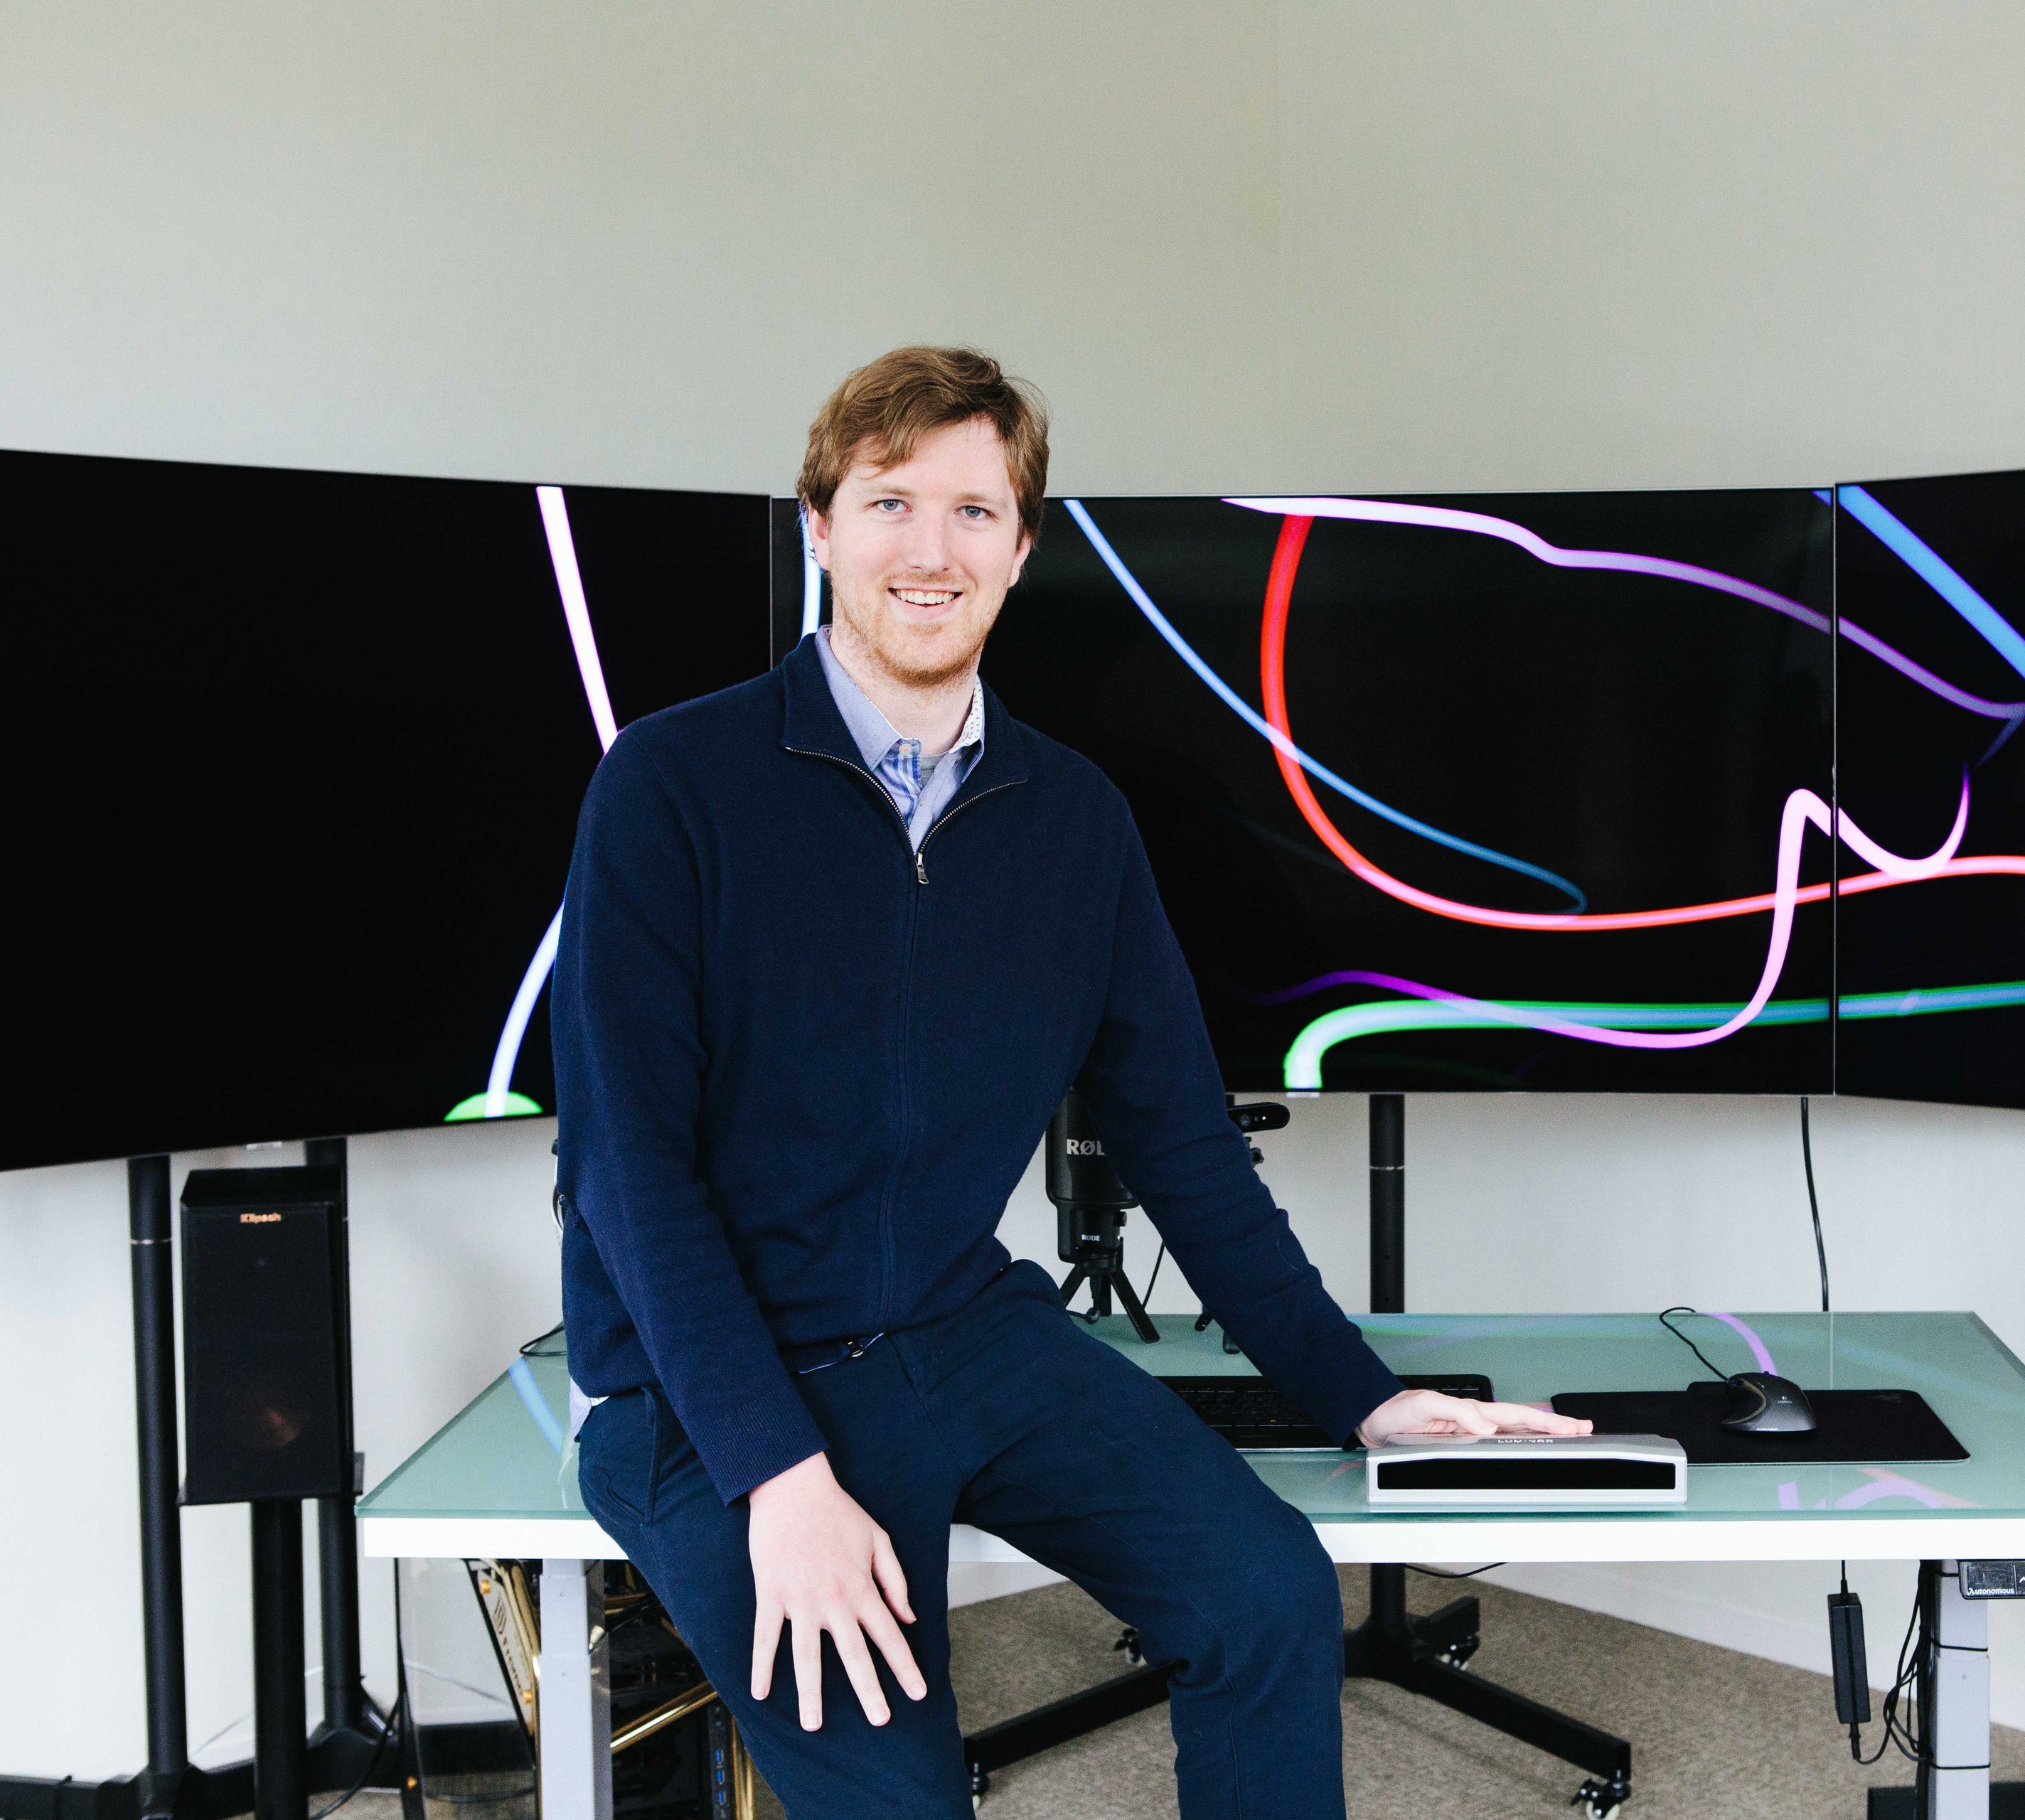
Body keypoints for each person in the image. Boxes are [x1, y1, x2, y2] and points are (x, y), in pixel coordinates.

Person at [552, 345, 1586, 1818]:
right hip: (712, 1383)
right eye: (891, 500)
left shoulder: (1077, 820)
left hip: (961, 1330)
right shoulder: (670, 785)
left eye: (975, 511)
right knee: (904, 1793)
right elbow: (628, 1167)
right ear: (821, 527)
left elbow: (1186, 1147)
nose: (931, 547)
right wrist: (775, 1474)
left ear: (1023, 549)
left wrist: (1359, 1395)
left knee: (1270, 1595)